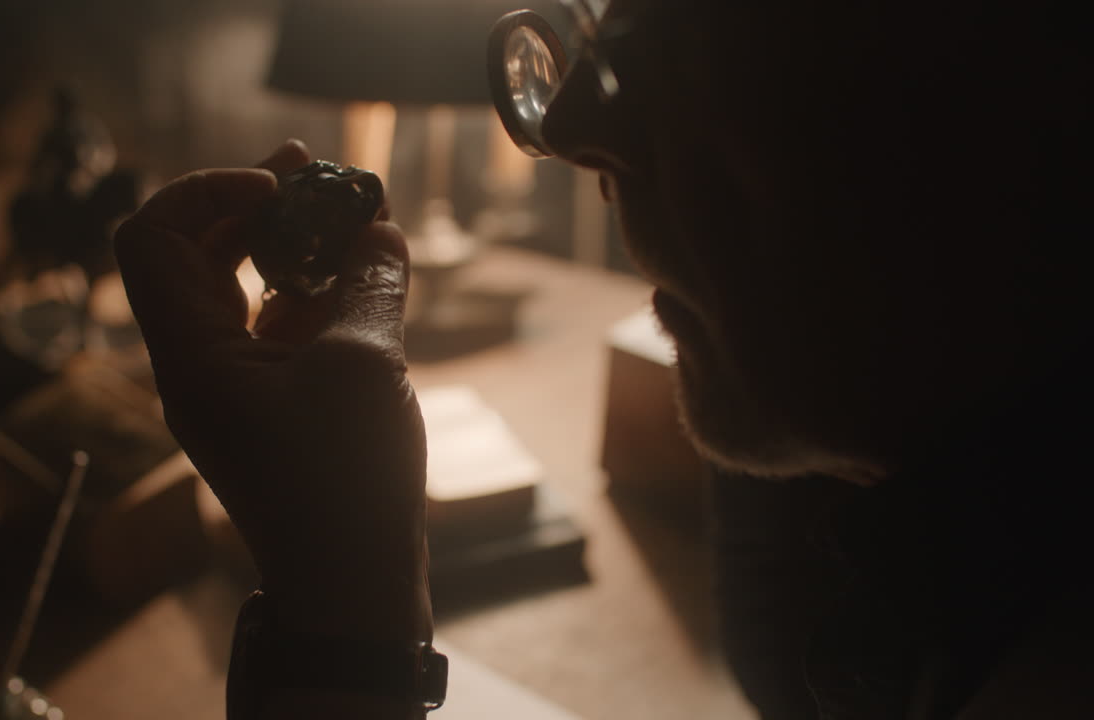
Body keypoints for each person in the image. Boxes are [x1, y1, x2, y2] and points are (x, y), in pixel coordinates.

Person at [114, 1, 1091, 717]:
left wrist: (339, 631)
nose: (576, 130)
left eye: (685, 31)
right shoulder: (944, 574)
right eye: (600, 24)